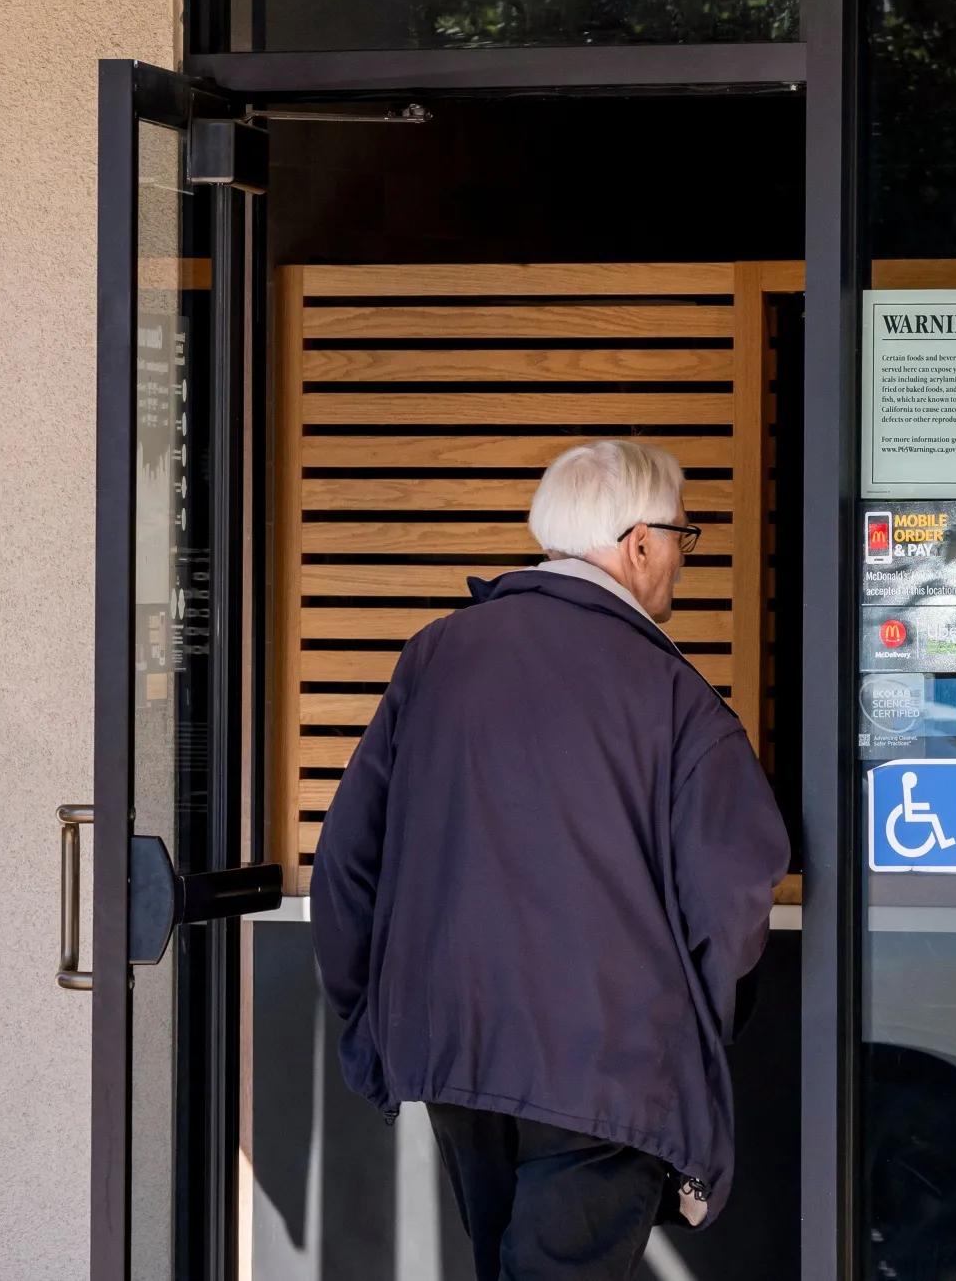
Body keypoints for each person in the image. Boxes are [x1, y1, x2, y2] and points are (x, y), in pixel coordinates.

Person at [312, 439, 792, 1281]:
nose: (684, 558)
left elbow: (348, 861)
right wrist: (689, 1035)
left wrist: (370, 1026)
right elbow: (734, 889)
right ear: (640, 543)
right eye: (685, 536)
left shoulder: (436, 656)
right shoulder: (675, 697)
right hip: (607, 1065)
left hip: (456, 1048)